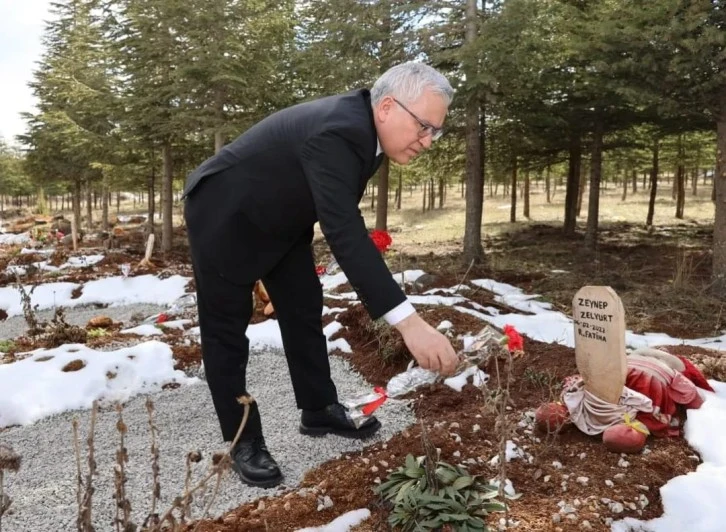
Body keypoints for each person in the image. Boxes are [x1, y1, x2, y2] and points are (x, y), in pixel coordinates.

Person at [183, 62, 459, 489]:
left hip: (282, 220)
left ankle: (318, 409)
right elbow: (345, 233)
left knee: (303, 307)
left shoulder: (365, 134)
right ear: (387, 107)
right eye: (424, 126)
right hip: (224, 214)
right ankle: (243, 440)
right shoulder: (341, 131)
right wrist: (410, 324)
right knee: (226, 331)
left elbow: (334, 207)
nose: (428, 141)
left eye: (435, 132)